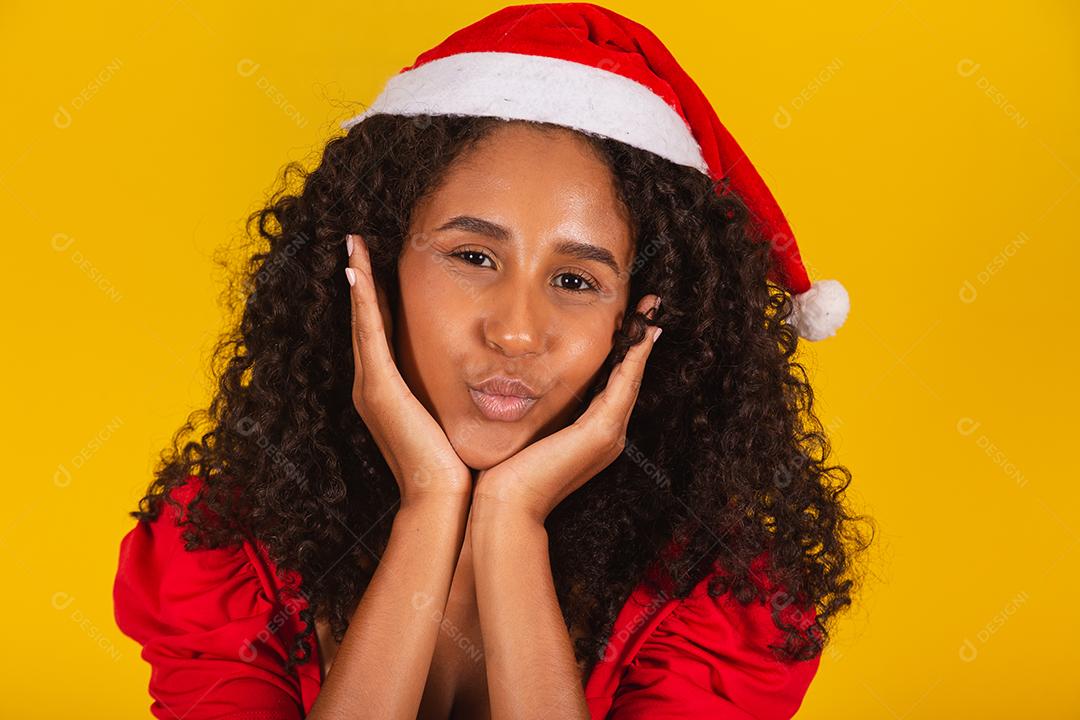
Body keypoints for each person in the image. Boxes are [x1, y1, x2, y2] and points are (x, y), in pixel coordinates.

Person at [113, 3, 869, 719]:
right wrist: (429, 505)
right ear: (375, 273)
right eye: (473, 256)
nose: (516, 333)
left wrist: (511, 524)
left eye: (576, 280)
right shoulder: (217, 554)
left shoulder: (729, 598)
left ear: (643, 320)